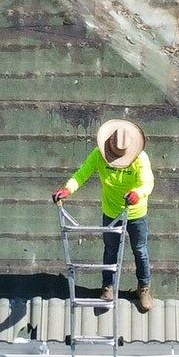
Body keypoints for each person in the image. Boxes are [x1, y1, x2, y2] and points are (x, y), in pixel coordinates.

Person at [53, 118, 154, 311]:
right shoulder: (99, 155)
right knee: (110, 251)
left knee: (140, 250)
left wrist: (137, 194)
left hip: (136, 214)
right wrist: (67, 190)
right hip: (111, 213)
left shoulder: (140, 159)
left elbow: (147, 183)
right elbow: (81, 174)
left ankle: (144, 287)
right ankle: (108, 286)